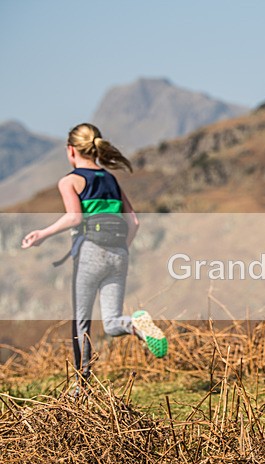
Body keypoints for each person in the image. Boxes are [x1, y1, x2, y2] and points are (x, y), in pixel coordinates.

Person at [22, 123, 167, 390]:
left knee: (81, 322)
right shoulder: (111, 179)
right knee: (112, 323)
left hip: (91, 253)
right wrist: (122, 249)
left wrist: (43, 233)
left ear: (70, 150)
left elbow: (75, 217)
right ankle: (136, 324)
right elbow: (133, 222)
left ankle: (81, 387)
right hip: (119, 254)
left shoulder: (70, 181)